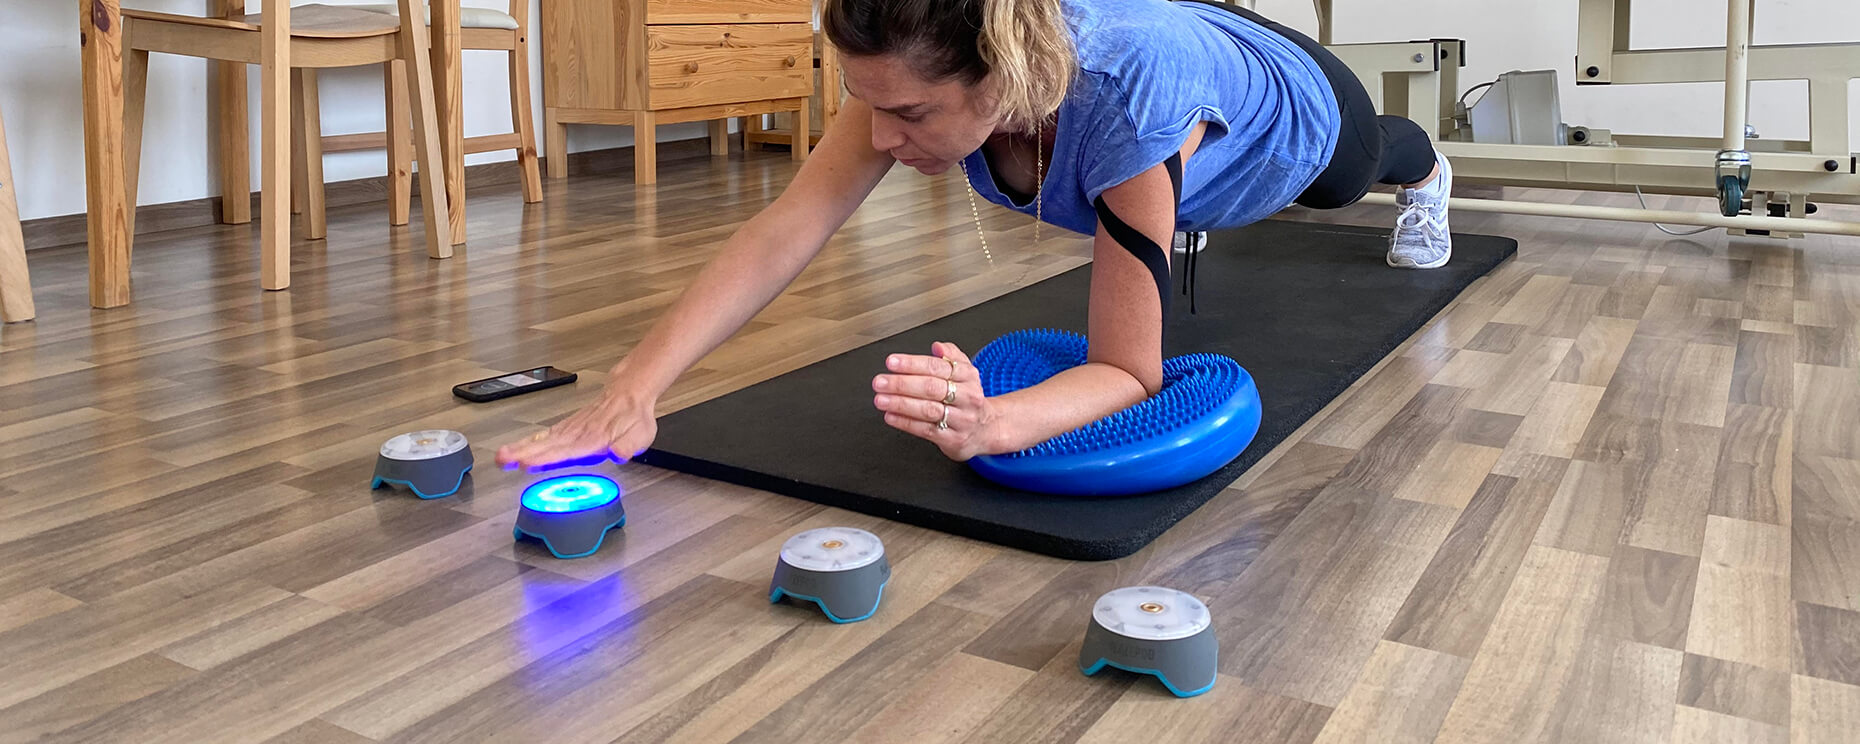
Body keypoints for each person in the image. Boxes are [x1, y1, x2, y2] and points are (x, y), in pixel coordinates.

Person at [496, 0, 1453, 471]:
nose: (877, 138)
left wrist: (994, 422)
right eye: (868, 104)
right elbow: (789, 223)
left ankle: (1429, 171)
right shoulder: (924, 59)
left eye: (908, 114)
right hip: (1165, 46)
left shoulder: (1123, 106)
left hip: (1302, 113)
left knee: (1361, 174)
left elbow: (1130, 371)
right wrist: (634, 389)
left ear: (1002, 84)